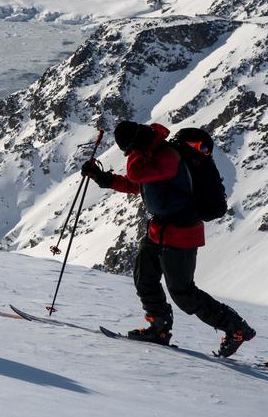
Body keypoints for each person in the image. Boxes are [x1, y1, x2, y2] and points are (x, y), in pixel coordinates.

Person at [86, 119, 256, 357]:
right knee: (144, 277)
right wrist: (103, 178)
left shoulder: (168, 156)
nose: (128, 154)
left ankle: (236, 327)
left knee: (183, 293)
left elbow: (136, 173)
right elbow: (139, 184)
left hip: (181, 234)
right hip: (159, 231)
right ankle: (158, 328)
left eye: (128, 149)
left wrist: (133, 152)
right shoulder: (153, 155)